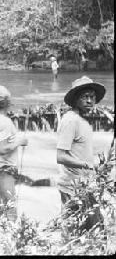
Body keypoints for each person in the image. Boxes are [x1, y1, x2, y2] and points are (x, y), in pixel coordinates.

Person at [56, 76, 106, 229]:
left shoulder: (84, 120)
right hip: (73, 186)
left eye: (92, 97)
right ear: (76, 99)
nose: (90, 101)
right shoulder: (70, 120)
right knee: (84, 229)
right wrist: (88, 164)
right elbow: (61, 156)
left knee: (93, 228)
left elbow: (80, 150)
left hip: (85, 184)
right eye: (85, 97)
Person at [0, 85, 28, 221]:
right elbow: (2, 148)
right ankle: (10, 239)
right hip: (3, 170)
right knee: (10, 209)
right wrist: (20, 141)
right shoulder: (5, 122)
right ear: (8, 102)